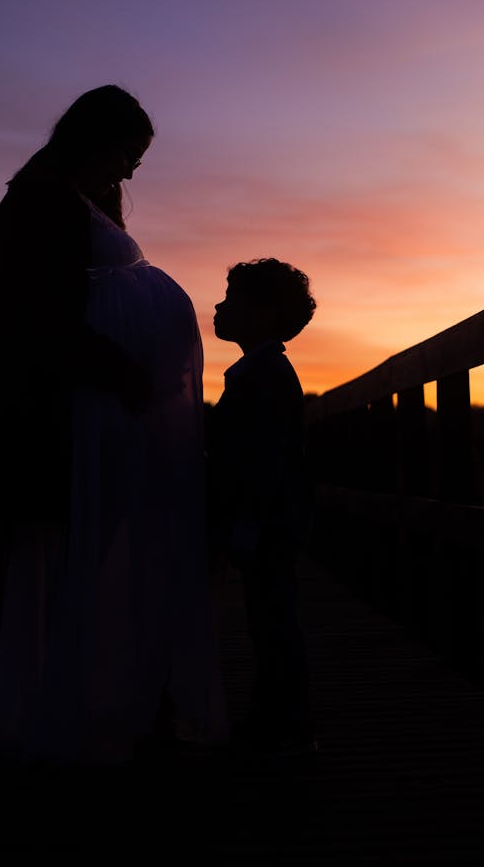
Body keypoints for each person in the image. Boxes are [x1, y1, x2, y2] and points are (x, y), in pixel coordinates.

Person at [0, 84, 227, 766]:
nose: (133, 171)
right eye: (128, 154)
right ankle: (67, 710)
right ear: (94, 138)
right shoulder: (38, 199)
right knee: (68, 563)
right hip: (65, 413)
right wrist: (121, 367)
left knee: (102, 560)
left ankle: (104, 697)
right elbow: (34, 314)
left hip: (96, 413)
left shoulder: (75, 198)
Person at [206, 258, 317, 761]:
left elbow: (266, 458)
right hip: (270, 518)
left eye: (232, 299)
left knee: (273, 620)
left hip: (267, 520)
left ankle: (288, 725)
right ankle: (275, 717)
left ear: (264, 314)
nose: (219, 305)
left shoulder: (266, 375)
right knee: (268, 618)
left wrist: (245, 520)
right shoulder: (262, 370)